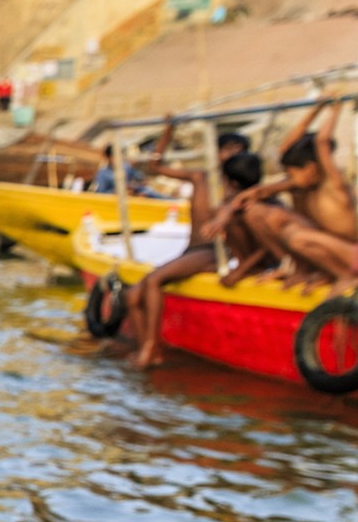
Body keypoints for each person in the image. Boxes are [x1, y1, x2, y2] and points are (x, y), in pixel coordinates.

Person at [121, 124, 262, 368]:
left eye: (239, 151)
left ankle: (150, 347)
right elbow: (155, 167)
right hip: (191, 250)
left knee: (154, 281)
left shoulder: (241, 189)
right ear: (217, 153)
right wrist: (168, 130)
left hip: (212, 253)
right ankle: (150, 349)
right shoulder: (201, 177)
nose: (232, 155)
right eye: (228, 150)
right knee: (133, 295)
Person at [208, 95, 358, 289]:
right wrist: (314, 110)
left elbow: (322, 142)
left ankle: (342, 276)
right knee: (255, 211)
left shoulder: (333, 185)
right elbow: (285, 149)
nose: (289, 178)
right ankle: (300, 268)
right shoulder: (300, 184)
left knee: (297, 236)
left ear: (312, 168)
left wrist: (334, 109)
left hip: (348, 251)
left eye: (292, 173)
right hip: (326, 248)